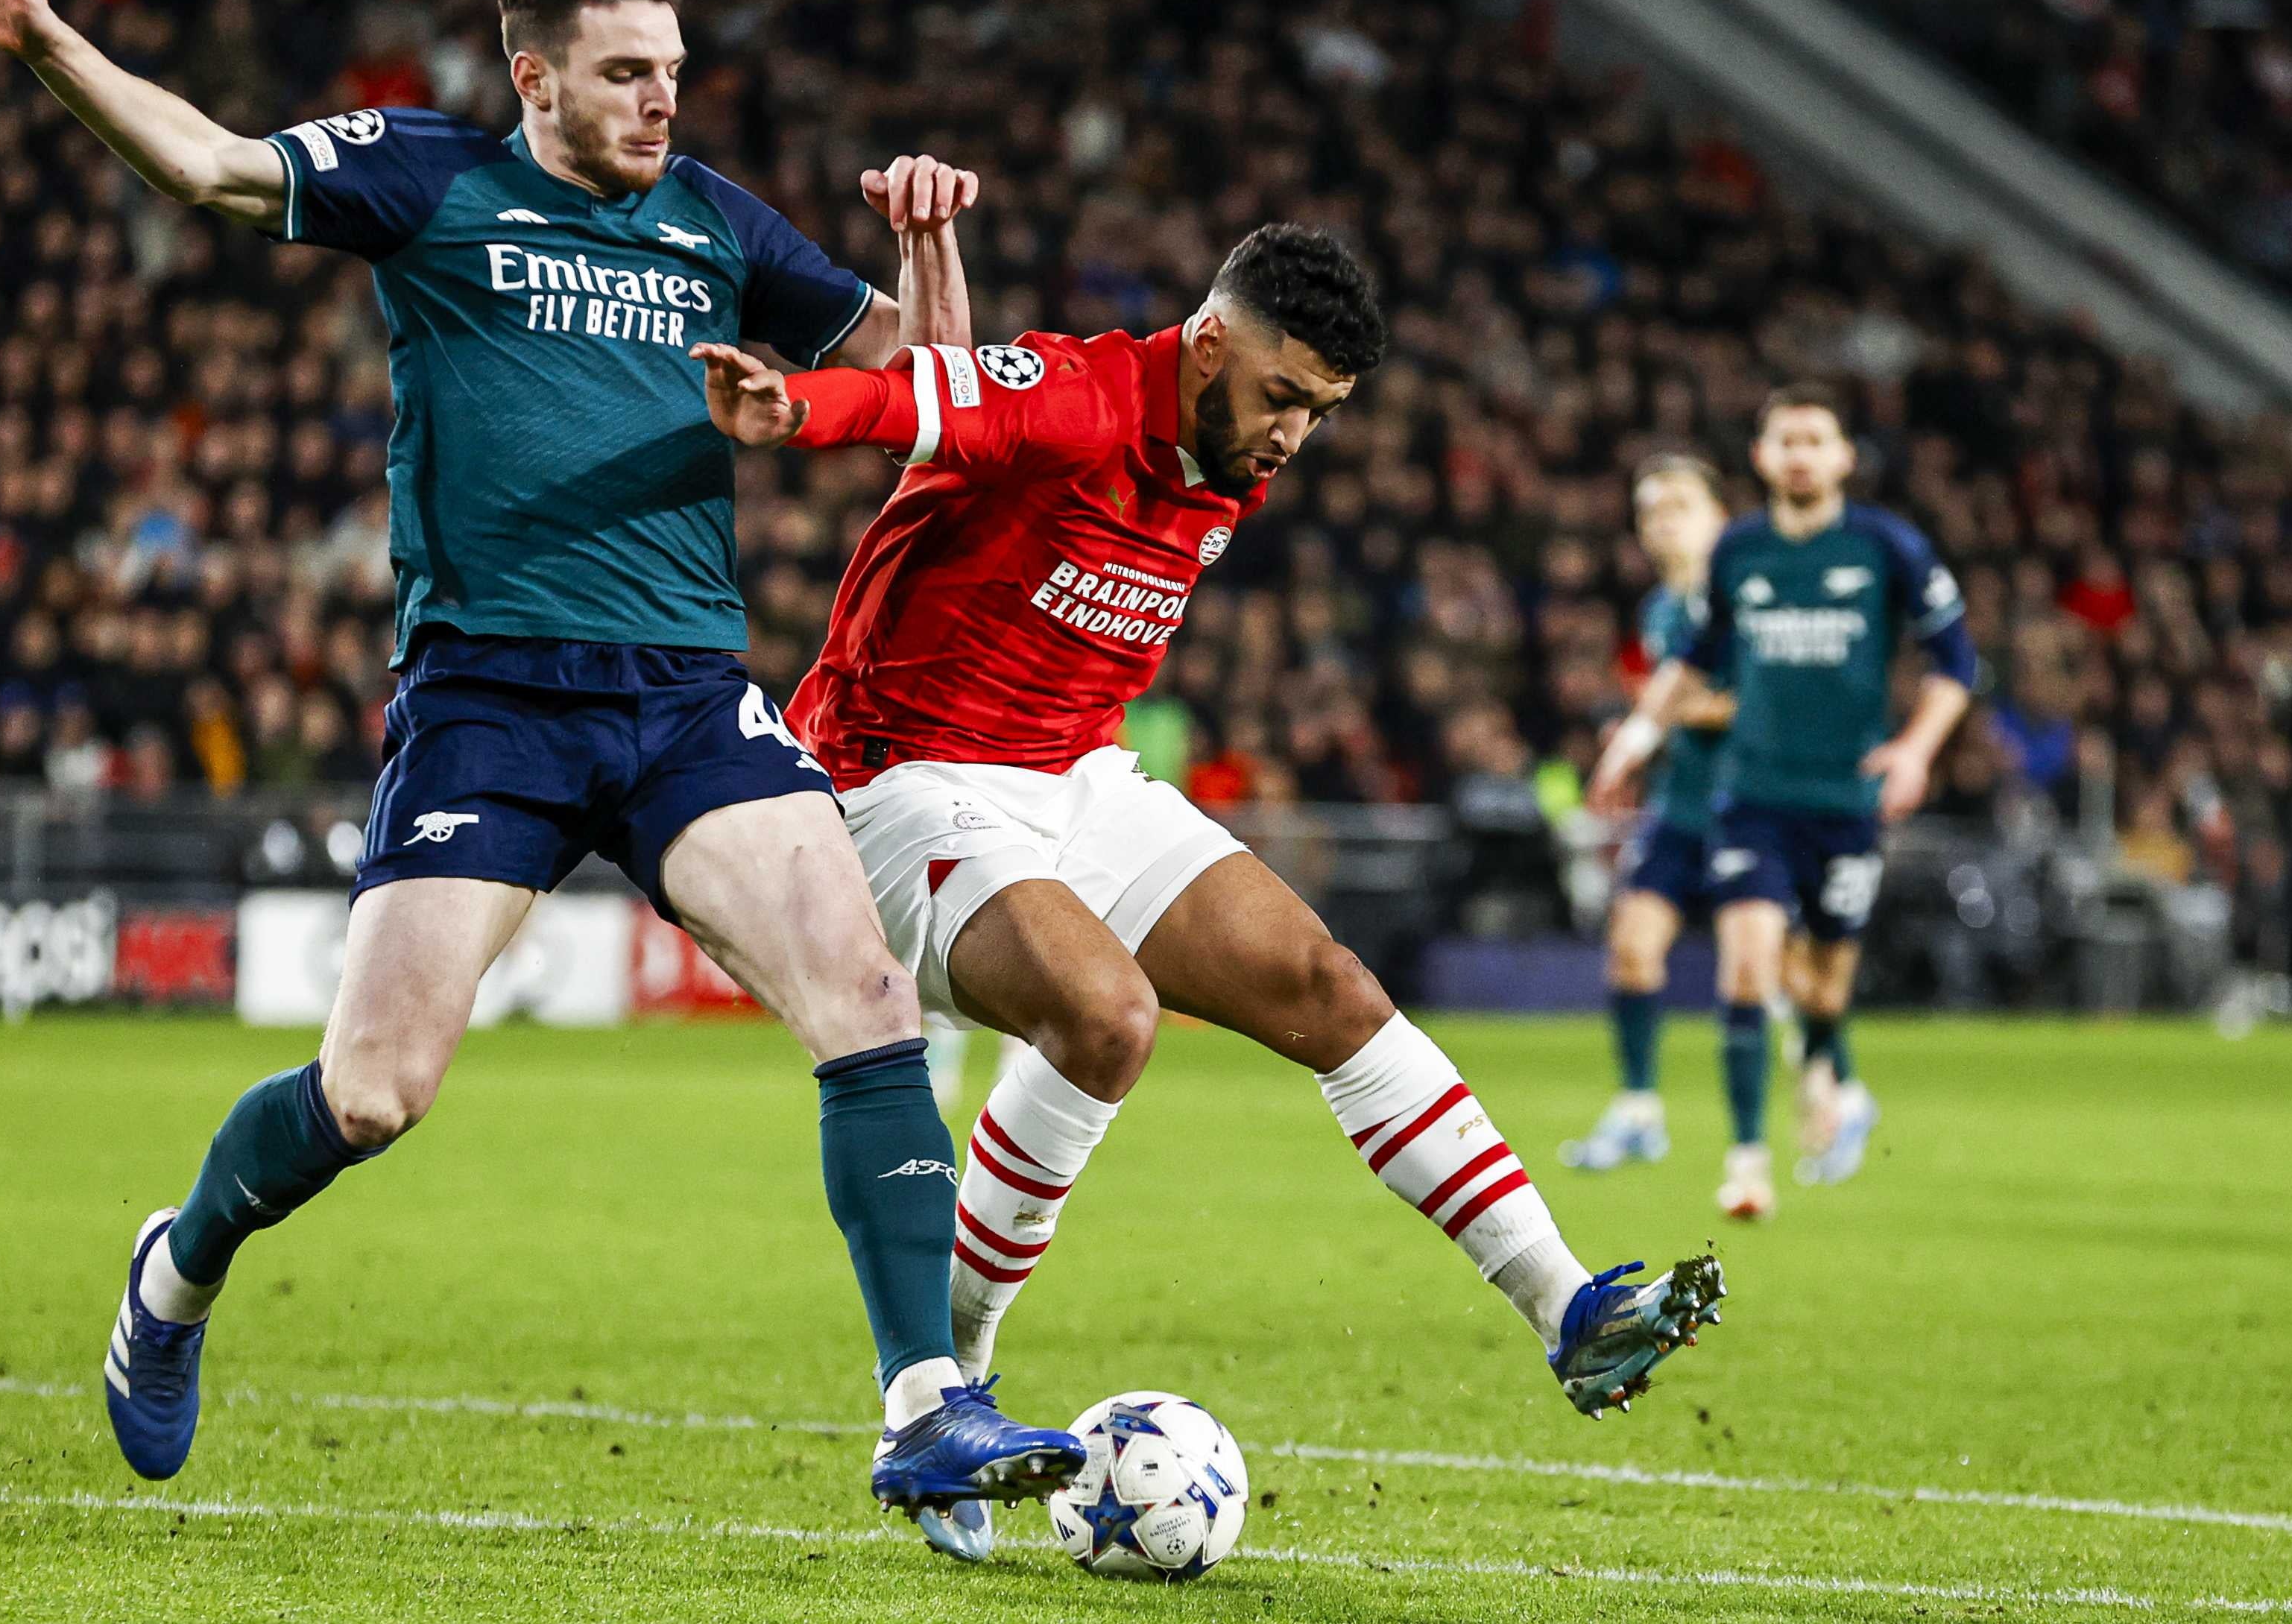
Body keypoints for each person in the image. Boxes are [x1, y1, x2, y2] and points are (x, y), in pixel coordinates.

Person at [0, 0, 1082, 1520]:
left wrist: (927, 242)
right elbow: (208, 166)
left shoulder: (716, 221)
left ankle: (921, 1405)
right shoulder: (429, 177)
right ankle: (175, 1271)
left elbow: (933, 413)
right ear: (531, 76)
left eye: (671, 69)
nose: (661, 100)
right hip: (490, 699)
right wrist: (46, 41)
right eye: (623, 73)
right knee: (374, 1093)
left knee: (867, 1000)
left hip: (680, 695)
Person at [695, 224, 1725, 1564]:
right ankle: (951, 1389)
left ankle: (1566, 1312)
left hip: (1074, 776)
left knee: (1332, 990)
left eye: (1323, 412)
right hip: (899, 774)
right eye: (1283, 396)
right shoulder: (1081, 396)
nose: (1294, 434)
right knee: (1106, 1016)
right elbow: (925, 398)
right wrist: (797, 406)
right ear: (1207, 345)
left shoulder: (1230, 457)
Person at [1589, 386, 1975, 1217]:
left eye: (1815, 440)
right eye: (1784, 441)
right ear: (1762, 459)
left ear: (1841, 457)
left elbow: (1957, 664)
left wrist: (1913, 749)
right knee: (1747, 967)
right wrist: (1632, 743)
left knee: (1824, 990)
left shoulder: (1887, 547)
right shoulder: (1739, 554)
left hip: (1844, 801)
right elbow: (1691, 664)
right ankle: (1746, 1163)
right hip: (1749, 798)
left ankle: (1836, 1080)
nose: (1799, 455)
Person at [1561, 455, 1733, 1172]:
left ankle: (1826, 1097)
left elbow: (1768, 707)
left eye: (1679, 507)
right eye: (1650, 512)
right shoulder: (1661, 611)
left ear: (1719, 514)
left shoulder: (1749, 595)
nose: (1663, 524)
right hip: (1681, 806)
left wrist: (1661, 718)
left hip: (1755, 804)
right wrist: (1640, 735)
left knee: (1784, 973)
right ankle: (1638, 1112)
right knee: (1632, 946)